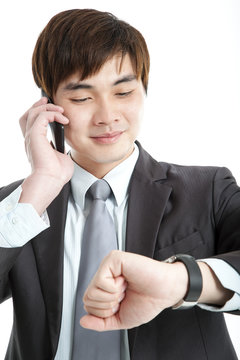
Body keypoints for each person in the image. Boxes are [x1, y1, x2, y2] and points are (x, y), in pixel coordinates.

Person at [0, 8, 240, 360]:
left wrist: (181, 280)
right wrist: (37, 191)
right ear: (48, 105)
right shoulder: (18, 208)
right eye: (82, 98)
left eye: (124, 92)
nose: (106, 115)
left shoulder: (208, 188)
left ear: (144, 90)